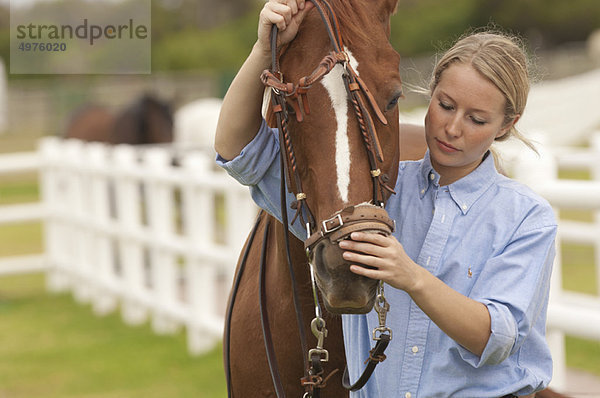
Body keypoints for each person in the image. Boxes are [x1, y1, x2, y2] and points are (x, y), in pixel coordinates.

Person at [215, 1, 557, 397]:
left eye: (477, 119)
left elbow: (496, 337)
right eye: (445, 105)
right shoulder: (375, 201)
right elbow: (240, 152)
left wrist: (410, 276)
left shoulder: (526, 217)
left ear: (506, 126)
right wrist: (262, 50)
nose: (452, 127)